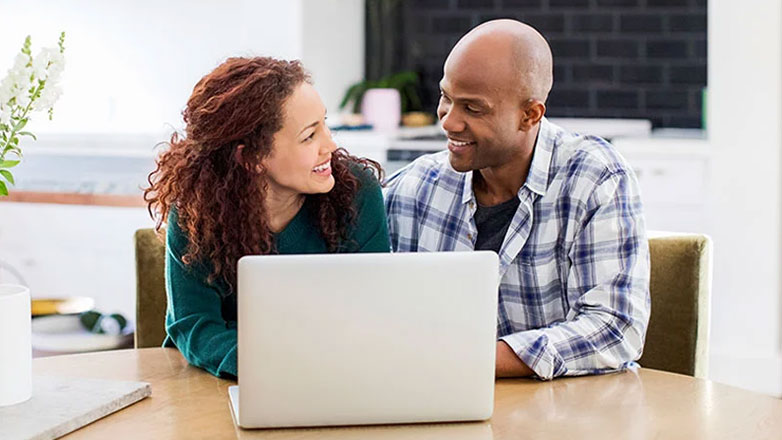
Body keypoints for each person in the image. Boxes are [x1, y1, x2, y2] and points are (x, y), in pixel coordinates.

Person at [384, 19, 650, 380]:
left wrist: (464, 359)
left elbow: (615, 328)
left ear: (530, 115)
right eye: (446, 97)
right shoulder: (417, 187)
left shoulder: (594, 179)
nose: (448, 122)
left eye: (473, 109)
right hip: (446, 406)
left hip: (571, 418)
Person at [144, 57, 390, 378]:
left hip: (332, 377)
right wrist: (274, 365)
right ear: (251, 157)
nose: (329, 145)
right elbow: (195, 326)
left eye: (325, 124)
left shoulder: (357, 193)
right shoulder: (196, 211)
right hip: (218, 384)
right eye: (309, 136)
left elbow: (371, 315)